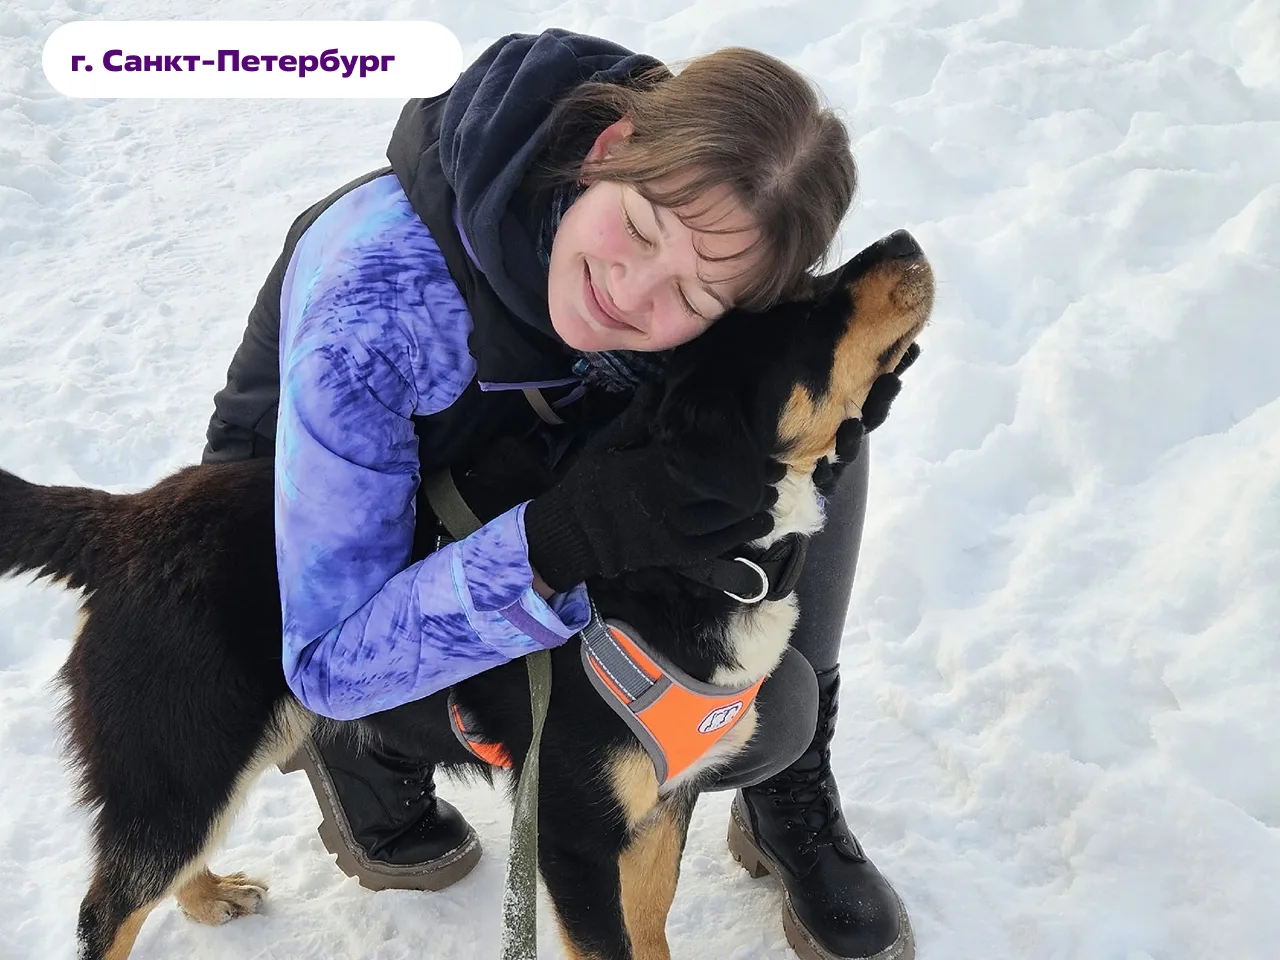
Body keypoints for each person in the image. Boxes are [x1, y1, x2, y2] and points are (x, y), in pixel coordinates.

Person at [201, 28, 916, 960]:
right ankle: (363, 756)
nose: (633, 291)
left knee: (796, 438)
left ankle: (790, 796)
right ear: (611, 148)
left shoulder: (710, 227)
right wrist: (564, 538)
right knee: (614, 709)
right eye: (641, 229)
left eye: (697, 298)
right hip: (308, 584)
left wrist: (819, 428)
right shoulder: (375, 316)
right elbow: (327, 662)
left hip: (497, 482)